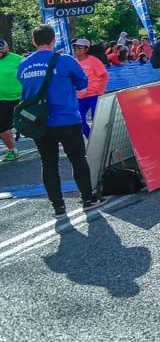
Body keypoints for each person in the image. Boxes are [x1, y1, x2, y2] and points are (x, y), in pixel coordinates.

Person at [18, 25, 103, 216]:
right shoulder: (64, 60)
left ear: (33, 41)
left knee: (48, 163)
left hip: (39, 123)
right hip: (66, 119)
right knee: (78, 160)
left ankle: (58, 206)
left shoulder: (24, 65)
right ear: (53, 40)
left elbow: (25, 89)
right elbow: (82, 82)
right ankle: (88, 198)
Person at [72, 38, 109, 139]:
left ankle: (101, 141)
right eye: (74, 47)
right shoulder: (73, 62)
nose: (76, 49)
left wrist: (100, 91)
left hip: (93, 95)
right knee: (79, 120)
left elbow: (104, 75)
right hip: (80, 97)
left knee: (97, 121)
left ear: (86, 49)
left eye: (80, 47)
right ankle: (92, 140)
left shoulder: (93, 61)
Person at [0, 39, 23, 161]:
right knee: (2, 127)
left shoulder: (18, 59)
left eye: (1, 50)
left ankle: (46, 145)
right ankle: (13, 150)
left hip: (17, 98)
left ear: (7, 48)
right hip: (1, 99)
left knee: (30, 124)